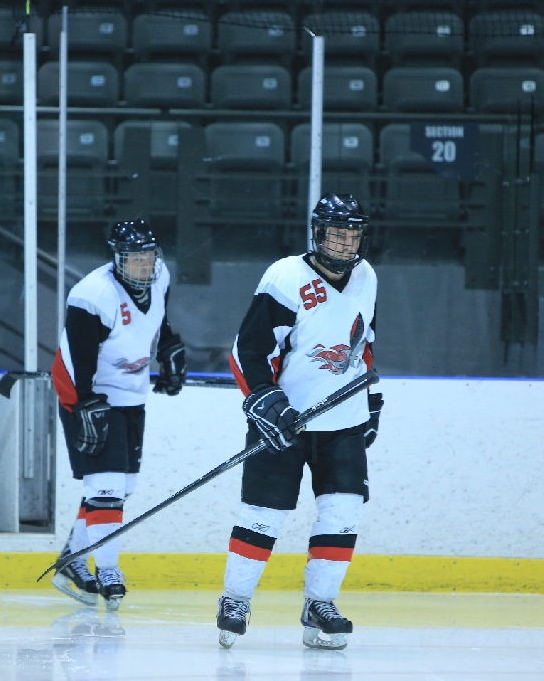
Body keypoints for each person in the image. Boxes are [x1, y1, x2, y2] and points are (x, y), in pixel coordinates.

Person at [217, 194, 384, 650]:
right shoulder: (285, 277)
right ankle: (235, 599)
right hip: (284, 421)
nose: (346, 243)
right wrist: (266, 401)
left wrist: (371, 399)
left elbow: (364, 344)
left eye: (353, 235)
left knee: (342, 514)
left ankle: (320, 604)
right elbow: (247, 351)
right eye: (337, 234)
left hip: (343, 423)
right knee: (264, 515)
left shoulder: (367, 276)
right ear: (317, 233)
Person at [50, 219, 186, 610]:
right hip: (88, 395)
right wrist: (83, 404)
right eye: (135, 258)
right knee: (106, 488)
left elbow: (157, 322)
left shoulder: (161, 279)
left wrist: (168, 349)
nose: (144, 265)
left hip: (131, 395)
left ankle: (72, 560)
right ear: (117, 259)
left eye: (149, 257)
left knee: (119, 487)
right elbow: (75, 359)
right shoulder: (92, 295)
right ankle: (108, 569)